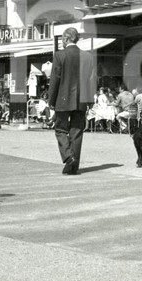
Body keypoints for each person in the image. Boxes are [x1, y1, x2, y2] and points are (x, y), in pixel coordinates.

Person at [47, 27, 96, 175]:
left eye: (62, 39)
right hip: (81, 100)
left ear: (67, 39)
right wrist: (90, 100)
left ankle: (68, 157)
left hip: (63, 98)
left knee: (60, 129)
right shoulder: (87, 57)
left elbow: (55, 79)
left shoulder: (59, 55)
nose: (62, 42)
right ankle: (73, 167)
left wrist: (51, 100)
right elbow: (91, 80)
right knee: (77, 131)